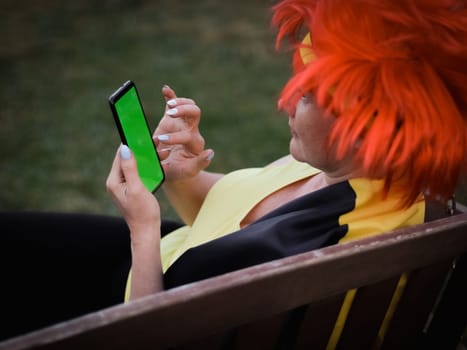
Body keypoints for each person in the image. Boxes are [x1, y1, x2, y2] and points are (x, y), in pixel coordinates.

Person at [1, 0, 467, 341]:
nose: (284, 101)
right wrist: (184, 176)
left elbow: (150, 335)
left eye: (305, 96)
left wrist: (142, 229)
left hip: (136, 299)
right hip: (167, 258)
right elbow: (226, 217)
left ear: (366, 124)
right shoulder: (360, 178)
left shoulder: (307, 251)